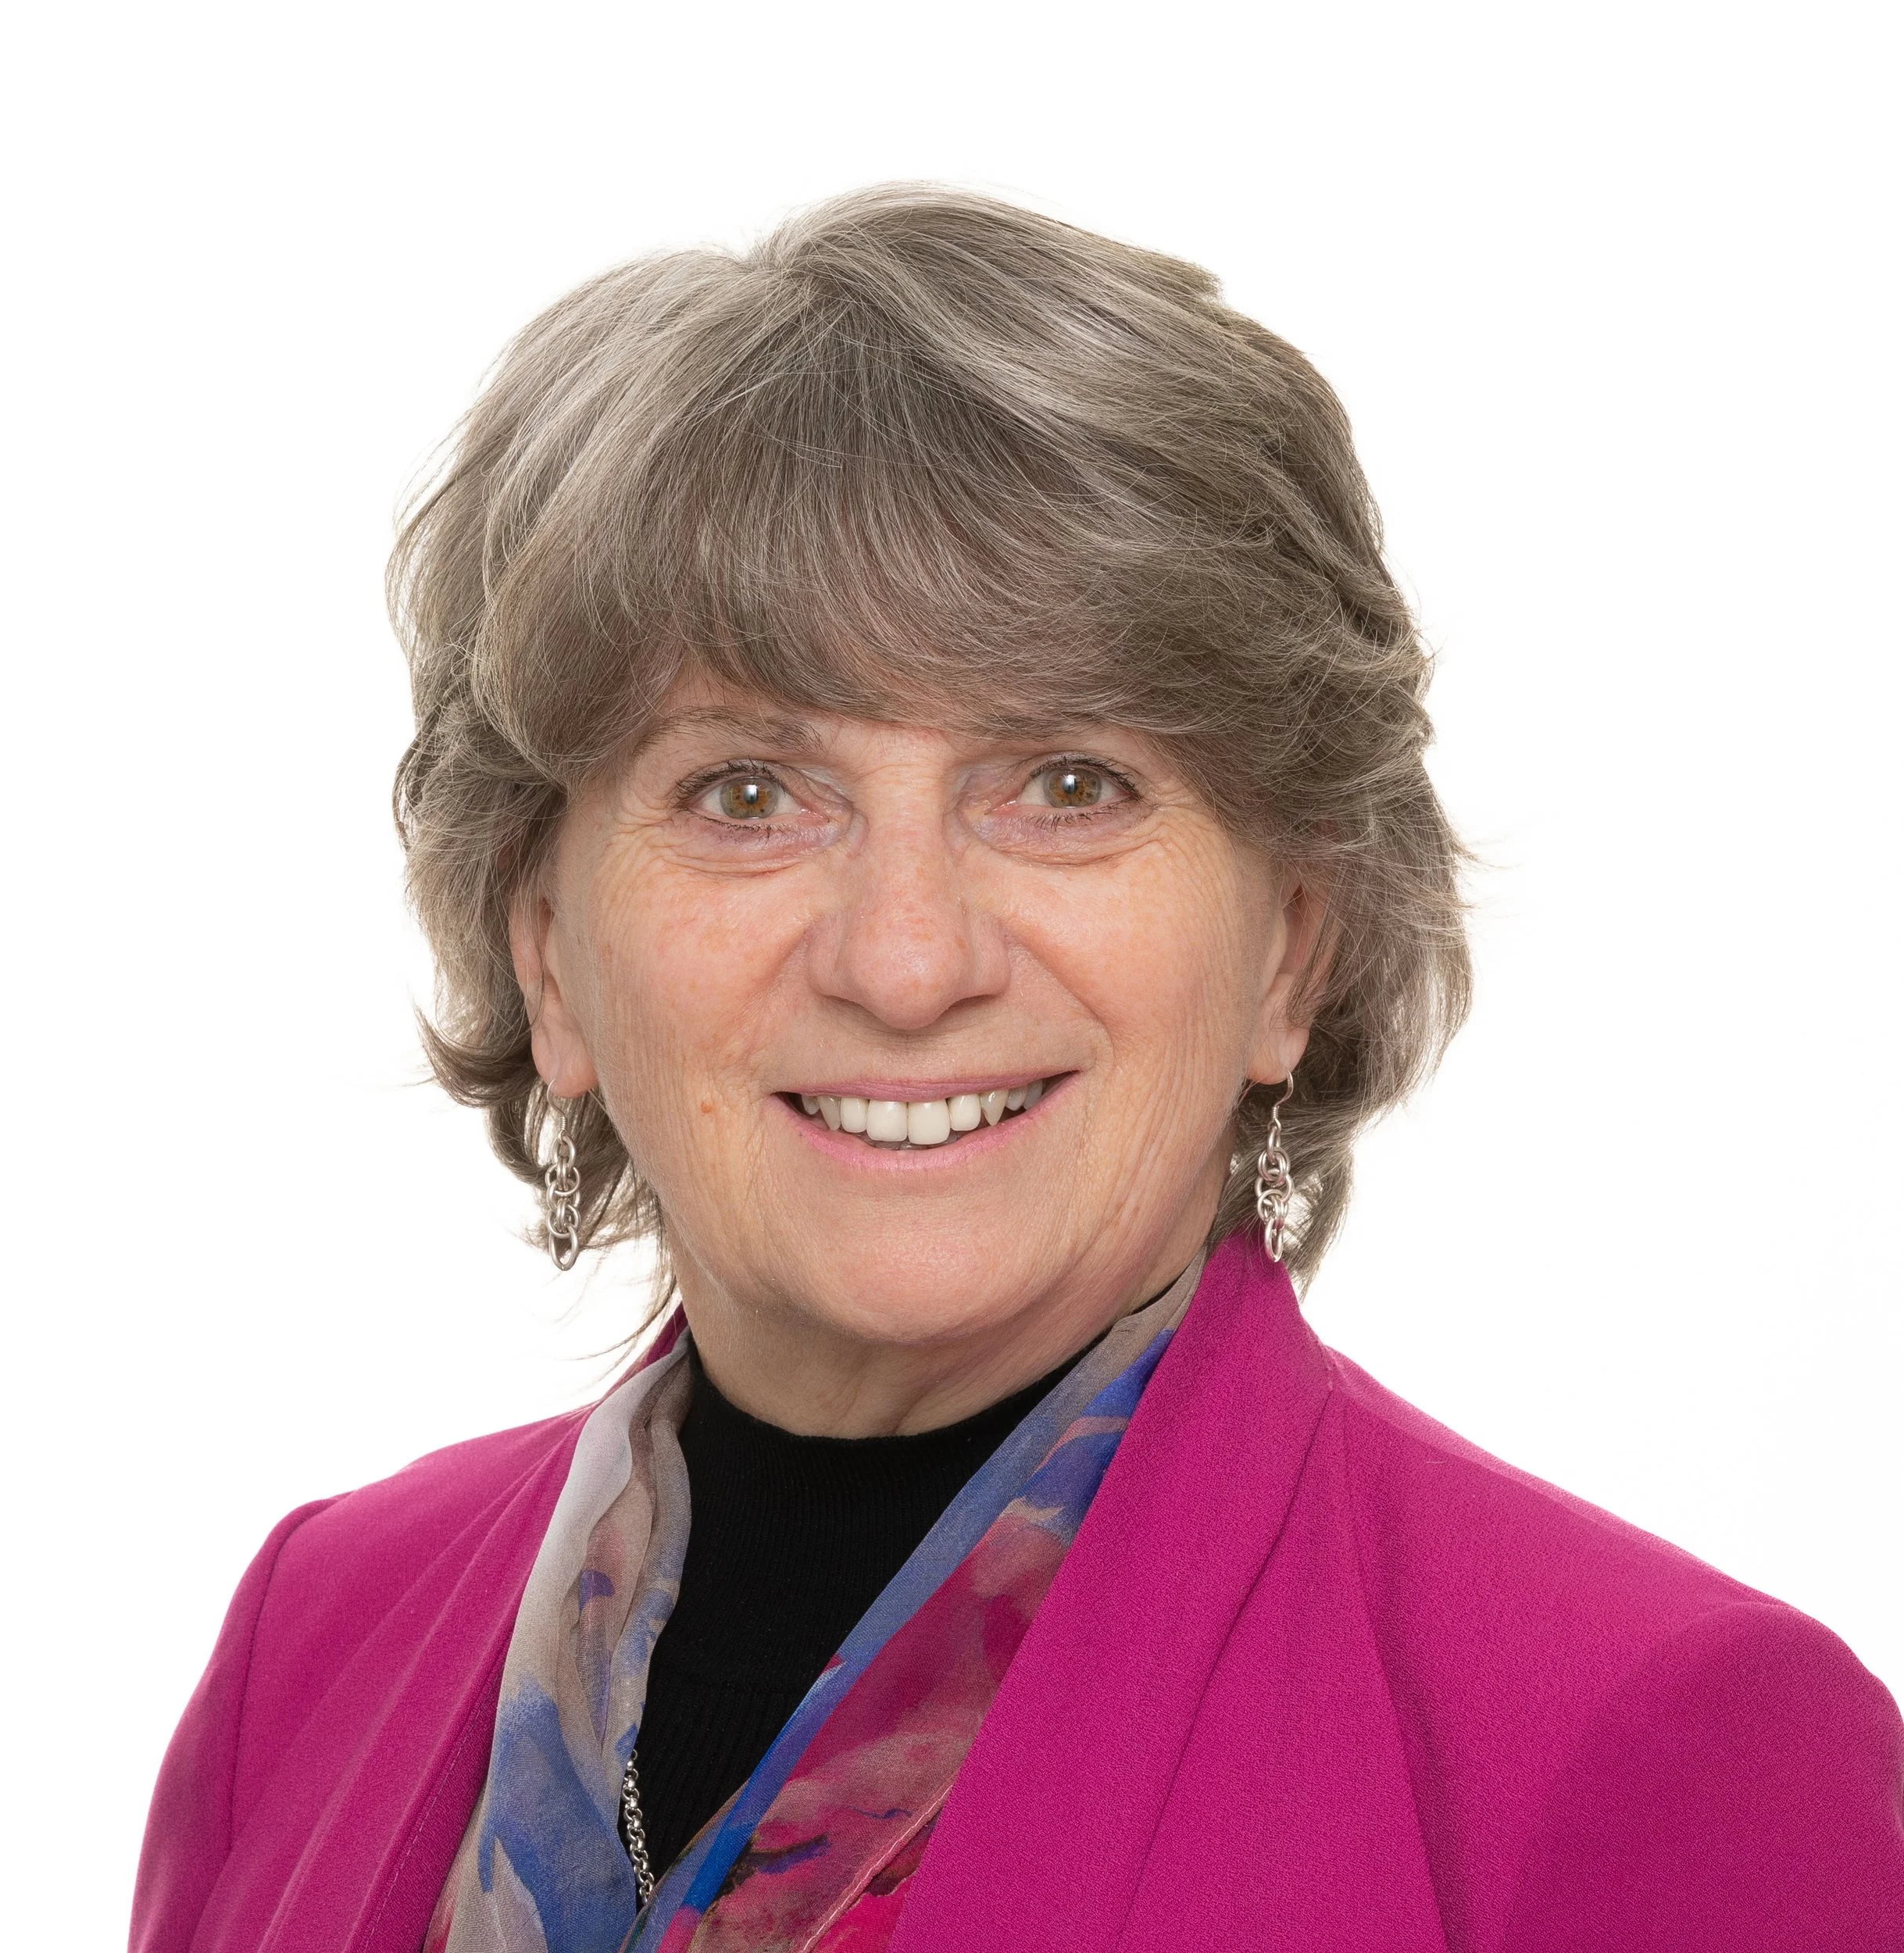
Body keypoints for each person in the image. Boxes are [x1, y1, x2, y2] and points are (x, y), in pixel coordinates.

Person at [130, 186, 1904, 1953]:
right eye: (748, 792)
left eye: (1068, 784)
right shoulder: (317, 1642)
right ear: (547, 954)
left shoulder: (1659, 1744)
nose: (906, 960)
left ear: (1290, 943)